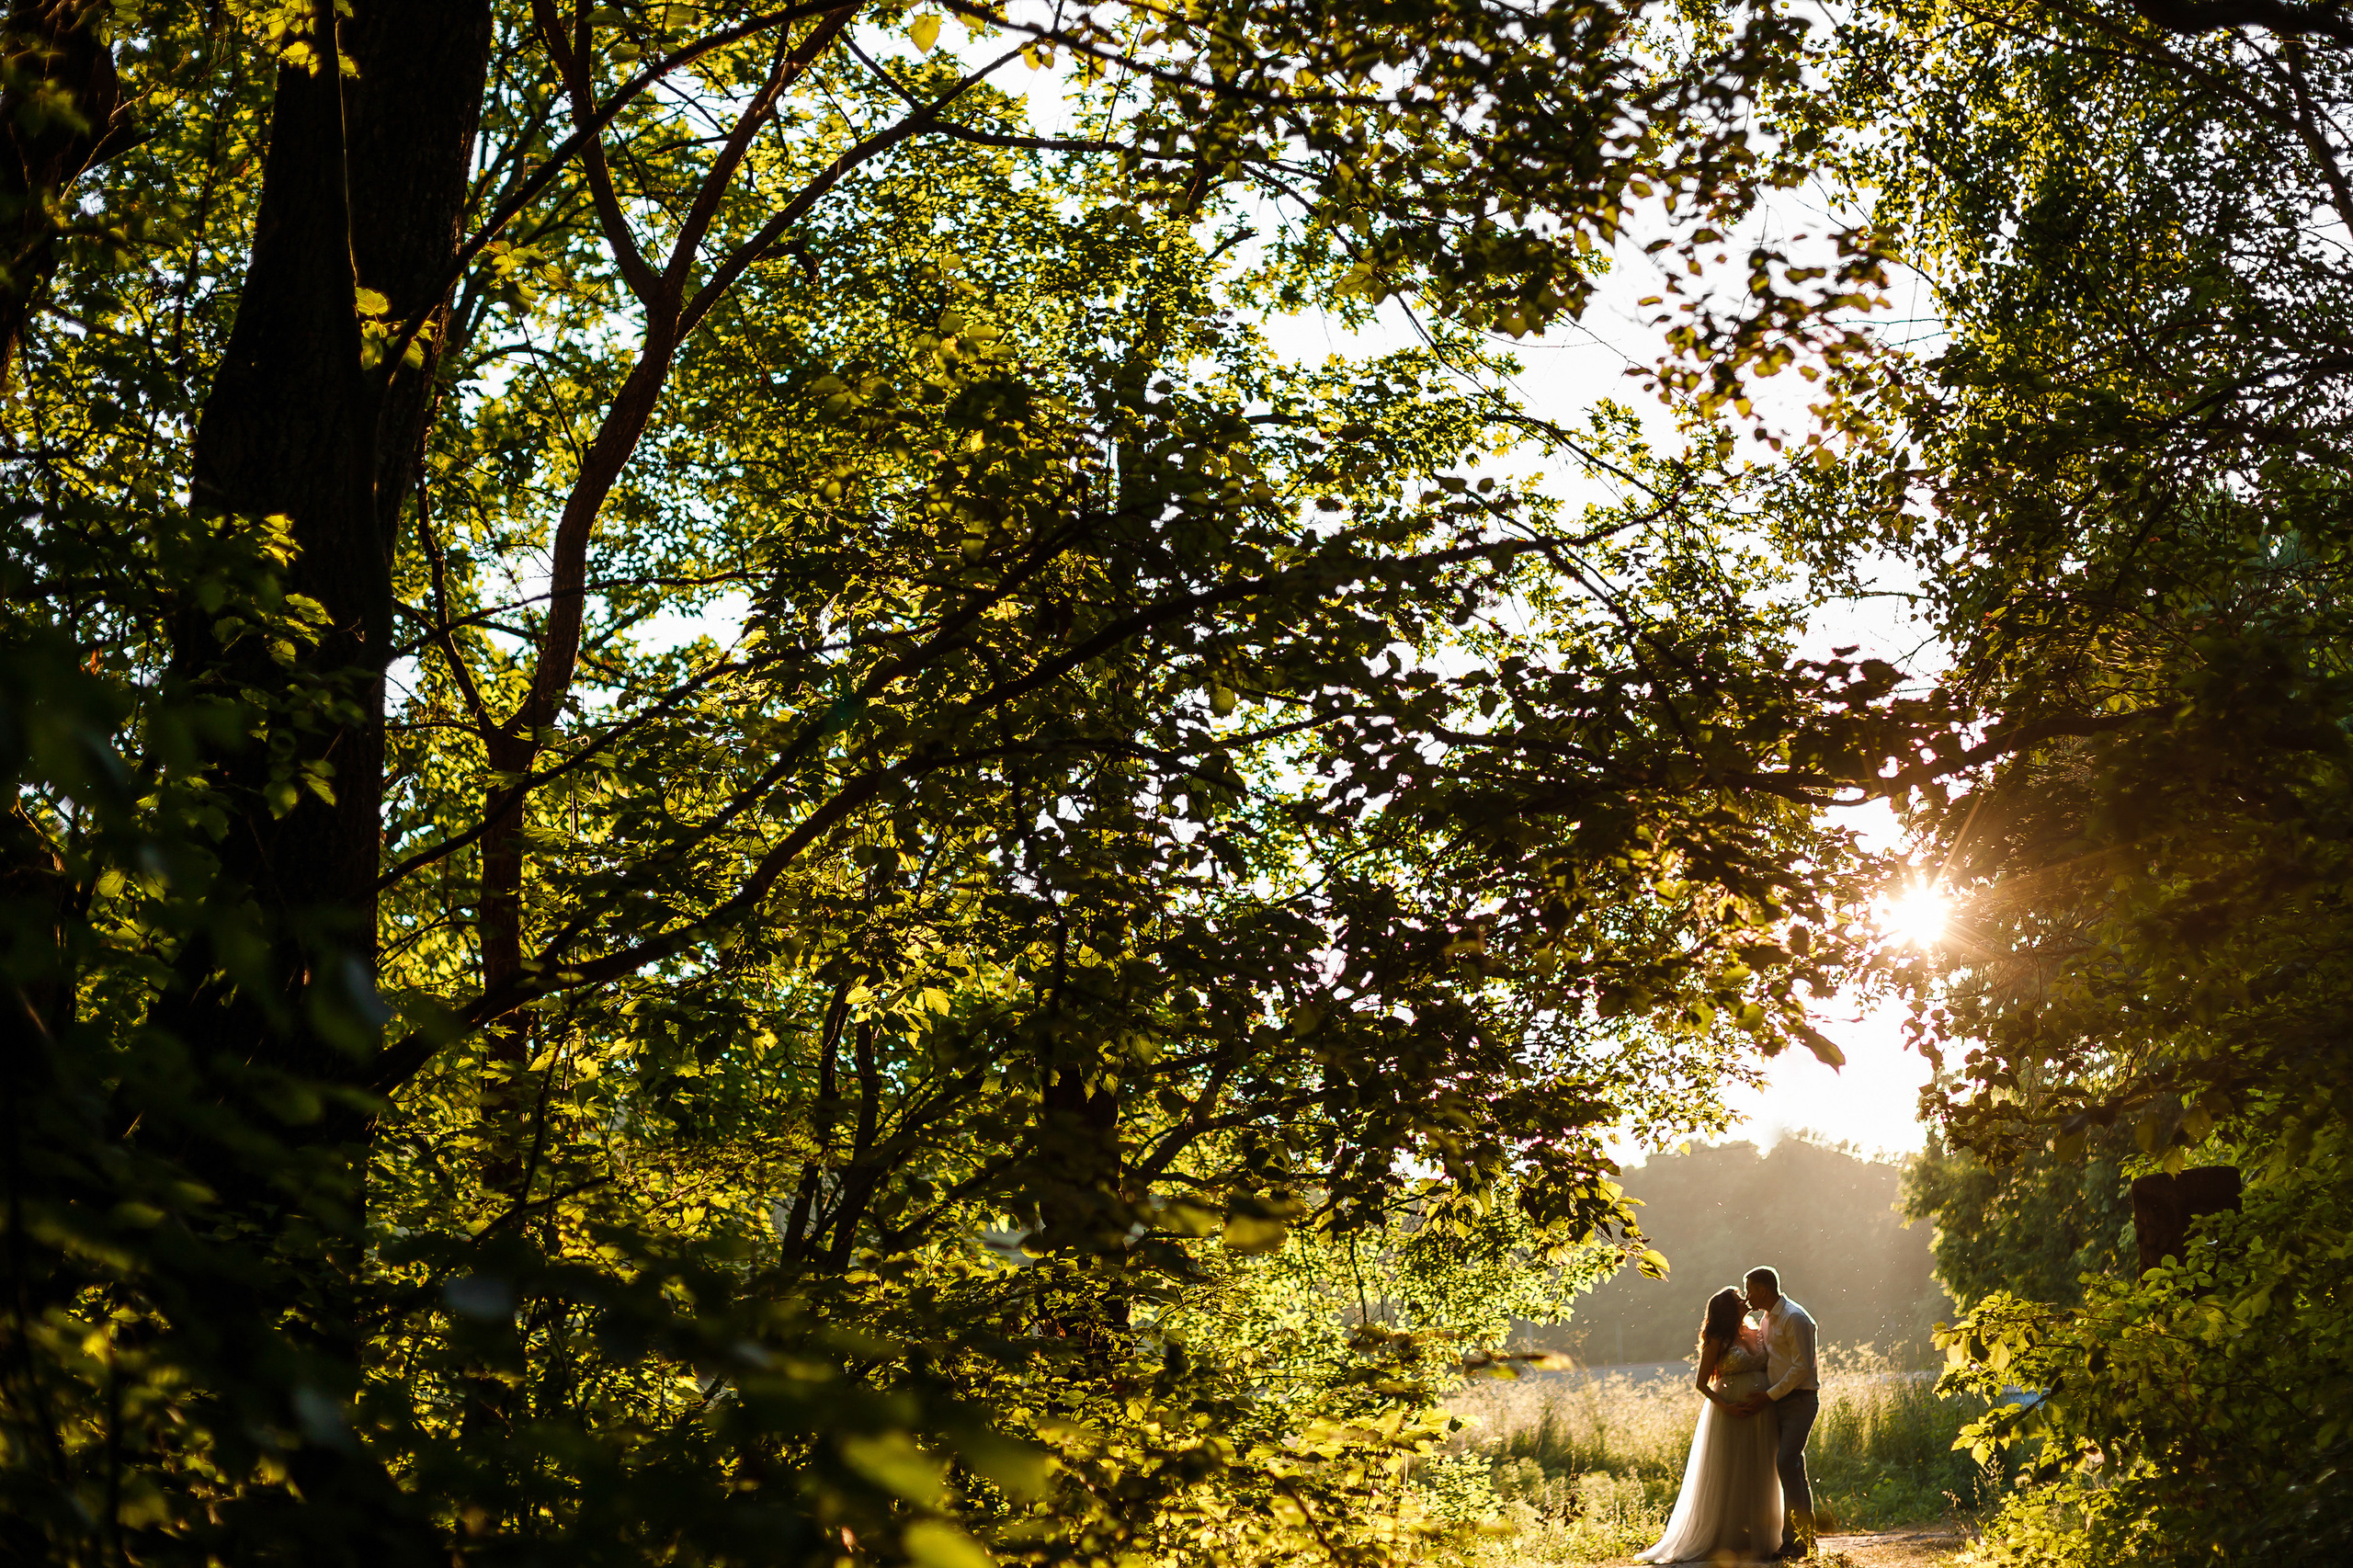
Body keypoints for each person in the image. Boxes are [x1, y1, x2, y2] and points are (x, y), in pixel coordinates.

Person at [1634, 1286, 1782, 1563]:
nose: (1745, 1301)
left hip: (1763, 1411)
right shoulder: (1718, 1339)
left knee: (1760, 1469)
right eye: (1740, 1300)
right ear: (1729, 1309)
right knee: (1729, 1472)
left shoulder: (1760, 1331)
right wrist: (1726, 1407)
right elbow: (1701, 1383)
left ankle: (1763, 1536)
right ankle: (1726, 1538)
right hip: (1729, 1413)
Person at [1729, 1265, 1821, 1560]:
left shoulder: (1795, 1318)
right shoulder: (1767, 1319)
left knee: (1786, 1462)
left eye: (1750, 1291)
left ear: (1763, 1291)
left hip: (1800, 1401)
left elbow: (1801, 1367)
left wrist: (1768, 1396)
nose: (1747, 1297)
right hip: (1779, 1402)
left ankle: (1795, 1542)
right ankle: (1803, 1541)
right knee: (1793, 1468)